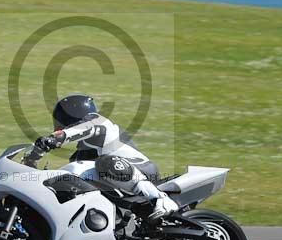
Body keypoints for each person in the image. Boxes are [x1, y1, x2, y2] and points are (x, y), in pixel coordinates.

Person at [26, 94, 179, 220]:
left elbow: (83, 129)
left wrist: (55, 138)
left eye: (61, 120)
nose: (58, 125)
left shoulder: (99, 124)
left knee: (105, 162)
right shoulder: (81, 153)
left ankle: (160, 199)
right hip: (121, 186)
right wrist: (32, 162)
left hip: (141, 171)